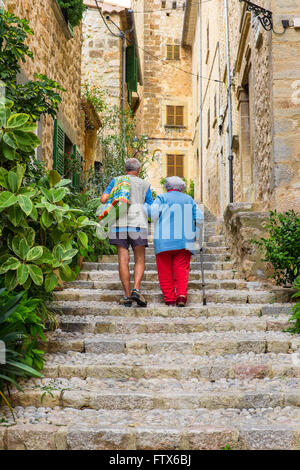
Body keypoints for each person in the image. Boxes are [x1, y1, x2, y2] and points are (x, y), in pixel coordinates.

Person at [100, 158, 153, 307]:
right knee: (140, 259)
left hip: (119, 224)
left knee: (123, 259)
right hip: (138, 224)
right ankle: (136, 289)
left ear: (125, 169)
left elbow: (103, 199)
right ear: (139, 170)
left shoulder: (116, 181)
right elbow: (150, 206)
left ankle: (127, 296)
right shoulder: (144, 184)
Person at [148, 176, 203, 307]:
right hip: (185, 239)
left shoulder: (161, 198)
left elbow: (153, 215)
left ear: (167, 187)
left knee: (164, 269)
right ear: (182, 187)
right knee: (182, 268)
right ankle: (181, 296)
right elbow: (199, 218)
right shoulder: (189, 199)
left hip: (163, 240)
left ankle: (170, 299)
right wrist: (197, 235)